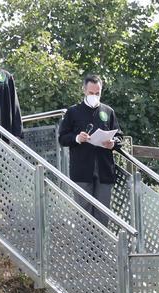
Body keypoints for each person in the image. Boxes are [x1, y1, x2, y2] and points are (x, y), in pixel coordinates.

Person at [57, 74, 122, 222]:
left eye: (97, 93)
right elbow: (62, 138)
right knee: (83, 214)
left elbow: (119, 136)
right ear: (84, 90)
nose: (94, 96)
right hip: (81, 171)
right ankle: (84, 246)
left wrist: (113, 143)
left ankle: (101, 245)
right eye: (91, 93)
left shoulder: (108, 111)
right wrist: (77, 138)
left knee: (103, 214)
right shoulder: (73, 112)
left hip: (104, 171)